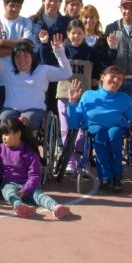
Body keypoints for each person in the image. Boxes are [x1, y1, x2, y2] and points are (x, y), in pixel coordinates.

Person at [48, 19, 116, 174]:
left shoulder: (89, 51)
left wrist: (112, 49)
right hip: (64, 95)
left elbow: (106, 63)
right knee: (66, 131)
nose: (76, 36)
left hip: (84, 98)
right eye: (73, 33)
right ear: (67, 34)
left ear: (84, 34)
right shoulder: (62, 50)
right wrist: (47, 44)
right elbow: (46, 60)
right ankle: (69, 161)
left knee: (82, 132)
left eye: (79, 33)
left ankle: (82, 161)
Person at [67, 67, 132, 193]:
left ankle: (117, 177)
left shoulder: (124, 98)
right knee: (100, 133)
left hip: (117, 128)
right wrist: (72, 103)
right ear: (102, 77)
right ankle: (105, 177)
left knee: (114, 134)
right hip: (95, 128)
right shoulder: (88, 95)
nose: (116, 80)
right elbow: (74, 124)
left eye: (120, 79)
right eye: (113, 76)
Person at [0, 34, 71, 155]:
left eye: (26, 56)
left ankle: (29, 154)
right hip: (10, 109)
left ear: (32, 56)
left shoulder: (43, 70)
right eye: (17, 56)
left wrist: (59, 52)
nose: (22, 60)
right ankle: (1, 155)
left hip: (35, 110)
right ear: (13, 58)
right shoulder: (7, 69)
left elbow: (66, 73)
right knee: (4, 120)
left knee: (25, 121)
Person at [0, 117, 71, 219]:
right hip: (9, 183)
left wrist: (25, 190)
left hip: (29, 184)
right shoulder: (1, 148)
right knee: (9, 192)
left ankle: (56, 207)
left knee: (39, 195)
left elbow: (35, 175)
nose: (3, 137)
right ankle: (20, 206)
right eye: (2, 134)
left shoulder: (29, 152)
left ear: (18, 134)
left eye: (7, 134)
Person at [0, 0, 34, 110]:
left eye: (18, 6)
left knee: (19, 114)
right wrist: (21, 48)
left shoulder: (26, 22)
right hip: (0, 79)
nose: (15, 9)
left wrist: (3, 42)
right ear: (5, 4)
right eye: (12, 5)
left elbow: (29, 45)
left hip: (21, 76)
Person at [30, 0, 71, 116]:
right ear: (43, 1)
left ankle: (55, 135)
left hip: (57, 72)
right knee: (37, 107)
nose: (53, 3)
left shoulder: (67, 22)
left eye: (56, 1)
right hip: (37, 70)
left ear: (60, 3)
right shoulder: (32, 21)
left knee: (56, 109)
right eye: (50, 0)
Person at [79, 4, 110, 88]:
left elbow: (107, 61)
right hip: (80, 83)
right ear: (81, 19)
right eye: (86, 17)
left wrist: (99, 79)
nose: (89, 20)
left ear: (97, 19)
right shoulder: (77, 38)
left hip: (98, 83)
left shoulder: (103, 38)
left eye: (92, 17)